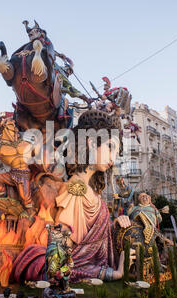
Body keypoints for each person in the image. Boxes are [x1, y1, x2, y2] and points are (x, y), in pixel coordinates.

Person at [13, 110, 133, 282]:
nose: (113, 158)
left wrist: (116, 228)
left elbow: (93, 245)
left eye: (116, 151)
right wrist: (110, 273)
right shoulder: (74, 191)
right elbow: (60, 263)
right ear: (91, 143)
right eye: (110, 147)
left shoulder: (93, 195)